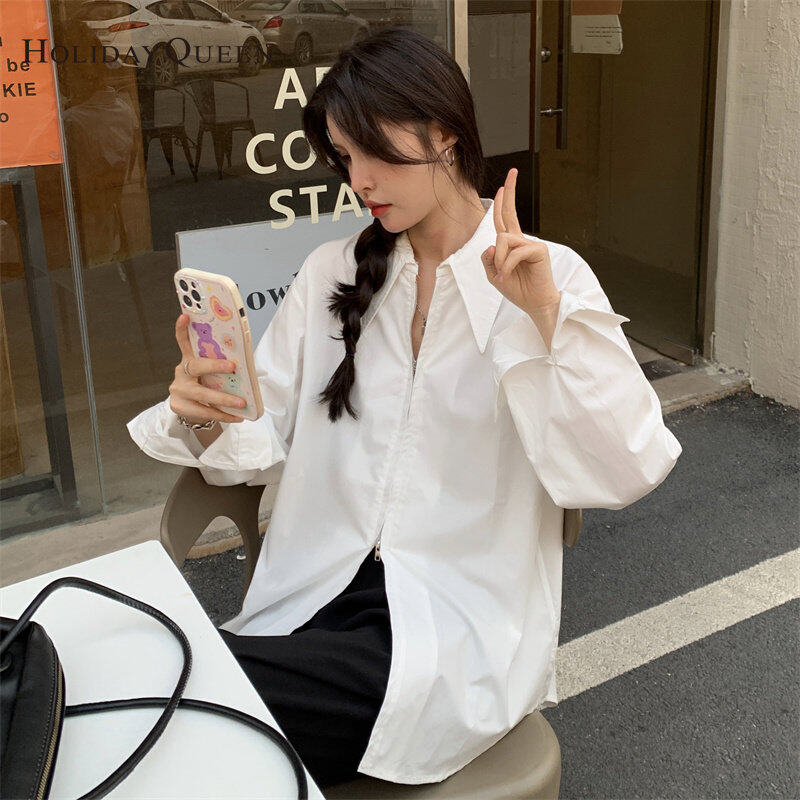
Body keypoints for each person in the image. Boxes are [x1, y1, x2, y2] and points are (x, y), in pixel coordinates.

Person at [126, 25, 683, 789]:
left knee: (185, 701)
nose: (360, 180)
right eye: (344, 157)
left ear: (444, 132)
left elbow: (624, 466)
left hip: (451, 623)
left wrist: (548, 321)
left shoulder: (547, 277)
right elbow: (257, 436)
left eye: (375, 152)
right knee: (175, 695)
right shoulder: (331, 273)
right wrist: (201, 409)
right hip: (315, 592)